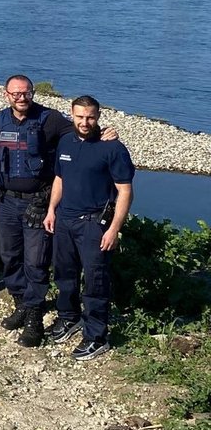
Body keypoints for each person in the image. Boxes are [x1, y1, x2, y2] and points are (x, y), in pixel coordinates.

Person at [0, 75, 118, 347]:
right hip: (5, 201)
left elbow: (81, 132)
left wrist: (104, 132)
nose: (21, 98)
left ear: (32, 93)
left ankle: (35, 318)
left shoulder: (50, 118)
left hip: (37, 202)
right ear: (6, 94)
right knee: (9, 256)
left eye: (26, 93)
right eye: (15, 93)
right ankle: (21, 303)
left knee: (35, 261)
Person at [44, 96, 134, 361]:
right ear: (71, 115)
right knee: (64, 275)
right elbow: (59, 178)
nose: (85, 122)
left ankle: (96, 336)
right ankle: (69, 317)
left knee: (95, 281)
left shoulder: (112, 148)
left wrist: (114, 228)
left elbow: (125, 191)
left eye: (90, 117)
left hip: (94, 224)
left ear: (98, 116)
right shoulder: (66, 141)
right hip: (64, 220)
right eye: (80, 116)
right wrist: (51, 210)